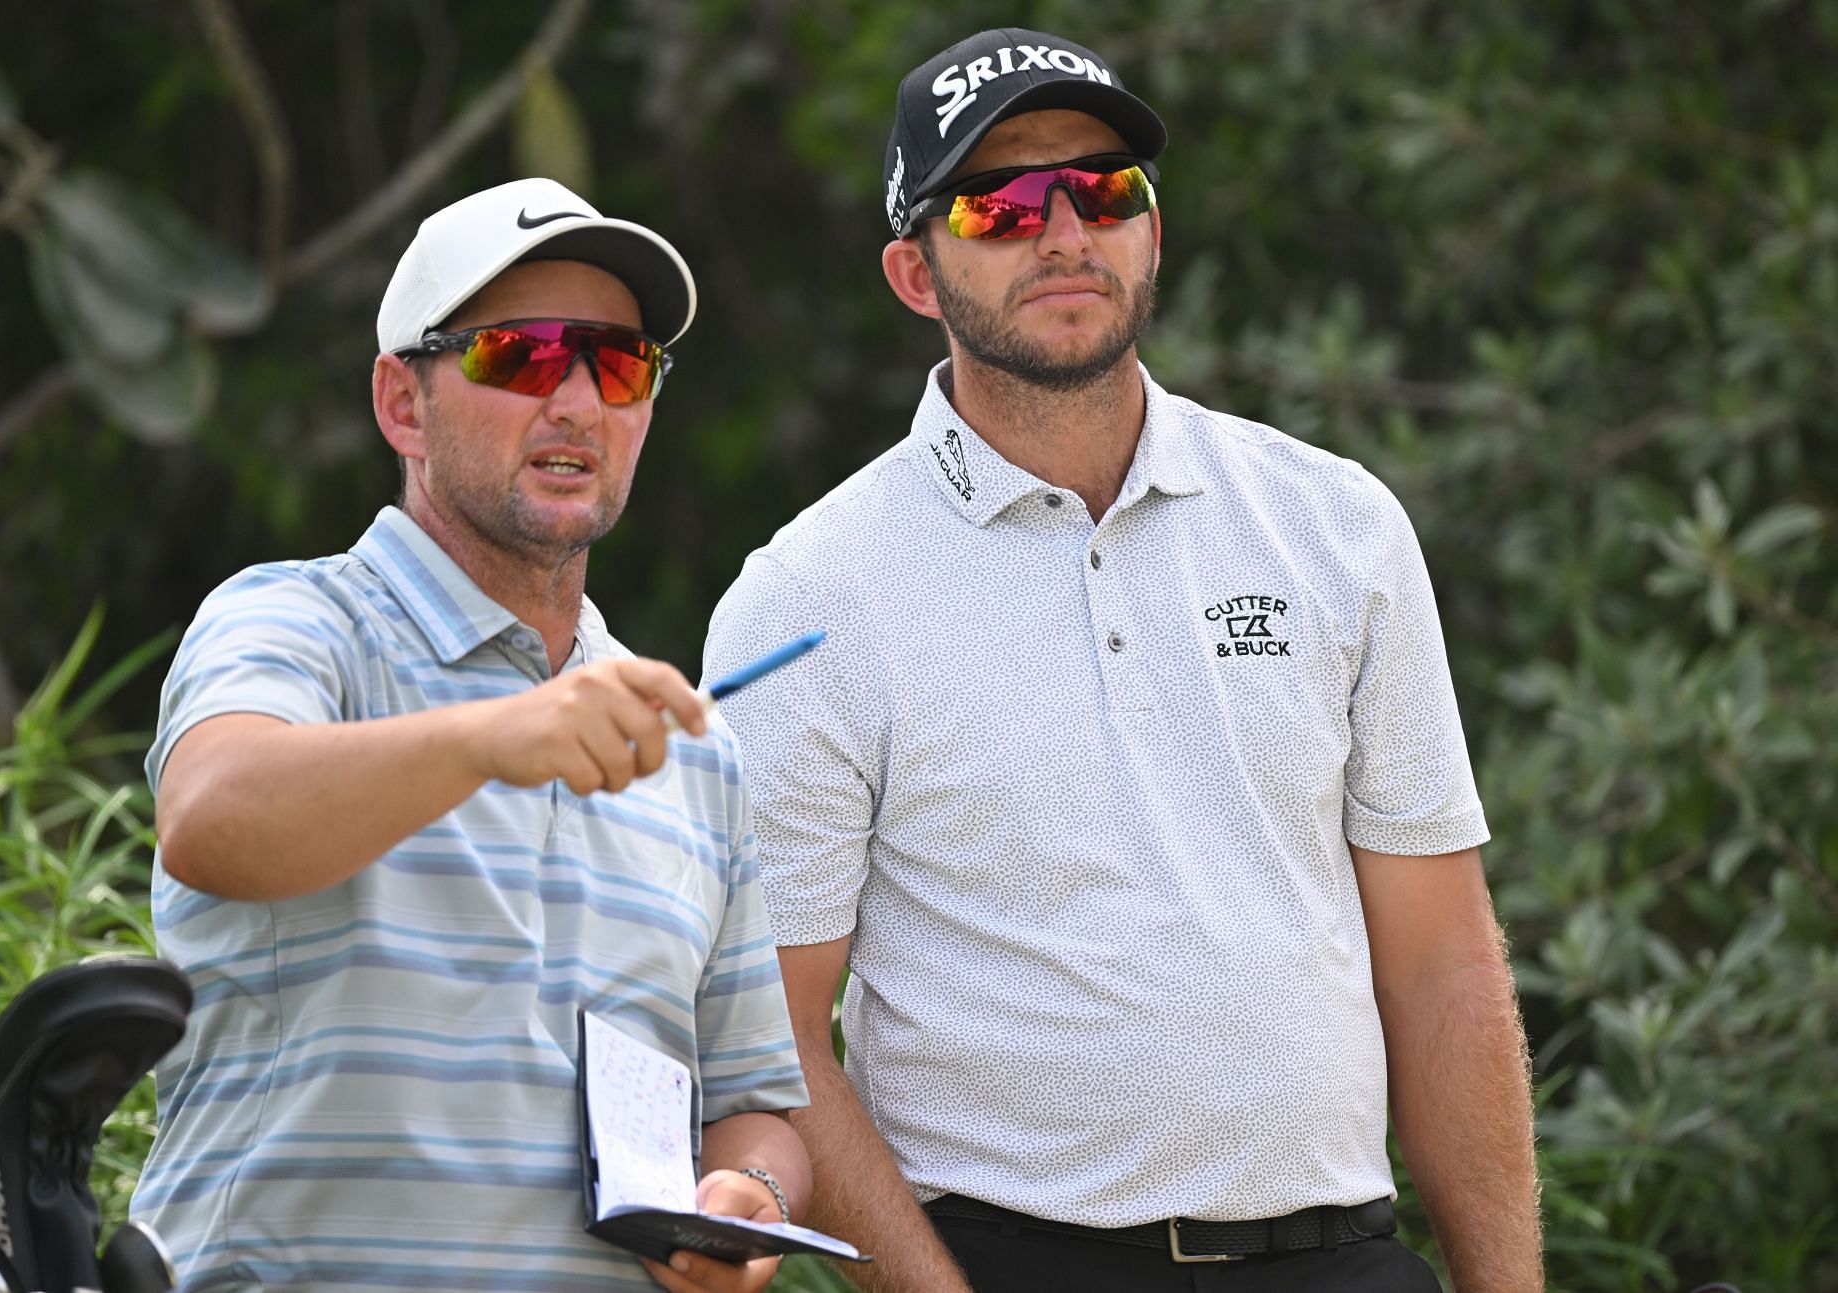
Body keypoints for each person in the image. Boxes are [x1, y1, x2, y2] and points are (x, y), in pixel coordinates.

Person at [703, 28, 1544, 1293]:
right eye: (996, 203)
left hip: (1342, 1259)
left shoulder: (1337, 523)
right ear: (913, 274)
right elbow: (775, 1030)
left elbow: (1443, 961)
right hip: (1016, 1262)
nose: (1061, 233)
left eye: (1103, 189)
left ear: (1152, 230)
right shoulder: (809, 595)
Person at [133, 178, 811, 1293]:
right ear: (404, 404)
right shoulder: (297, 620)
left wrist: (749, 1199)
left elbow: (754, 1105)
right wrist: (497, 736)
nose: (581, 403)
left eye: (621, 363)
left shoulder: (686, 745)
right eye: (525, 356)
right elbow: (210, 817)